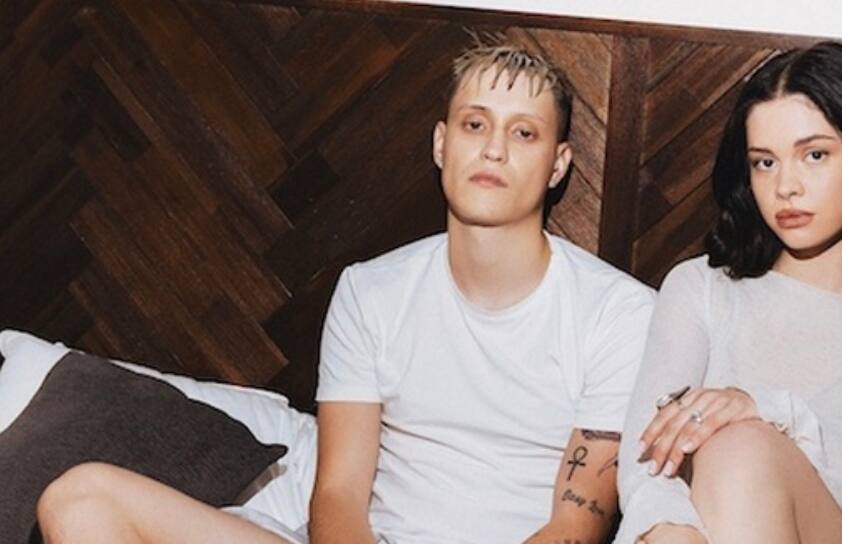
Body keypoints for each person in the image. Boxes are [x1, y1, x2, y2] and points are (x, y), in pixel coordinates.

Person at [35, 43, 653, 544]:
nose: (494, 148)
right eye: (475, 124)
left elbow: (576, 526)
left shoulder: (618, 313)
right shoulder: (371, 291)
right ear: (442, 144)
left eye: (524, 133)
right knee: (79, 496)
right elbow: (336, 495)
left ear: (558, 164)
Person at [614, 42, 842, 544]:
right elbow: (642, 468)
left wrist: (782, 416)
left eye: (814, 155)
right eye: (765, 162)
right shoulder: (700, 289)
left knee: (742, 446)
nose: (786, 186)